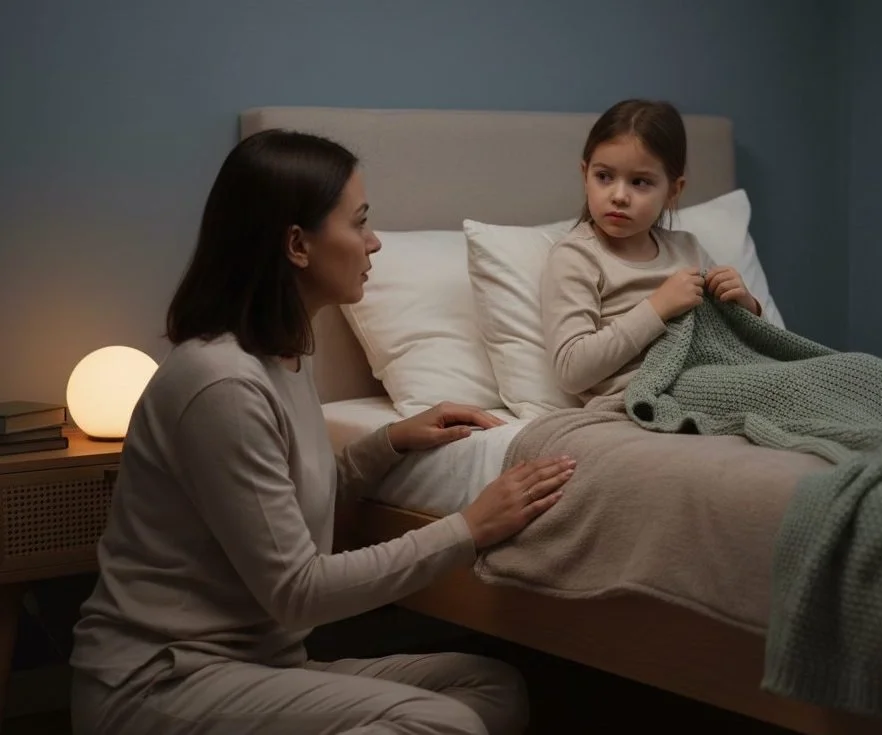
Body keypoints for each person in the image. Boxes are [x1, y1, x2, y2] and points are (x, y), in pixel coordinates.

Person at [69, 129, 577, 735]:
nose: (374, 241)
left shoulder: (284, 354)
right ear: (297, 245)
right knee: (445, 722)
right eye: (359, 223)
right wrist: (468, 528)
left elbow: (282, 506)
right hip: (160, 680)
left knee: (492, 688)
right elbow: (298, 590)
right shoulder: (221, 384)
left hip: (261, 666)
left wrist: (389, 442)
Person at [540, 99, 763, 405]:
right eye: (604, 177)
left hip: (716, 379)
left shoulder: (687, 249)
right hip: (642, 400)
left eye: (640, 182)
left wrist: (746, 306)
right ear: (585, 174)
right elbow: (571, 370)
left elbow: (744, 342)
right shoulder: (576, 257)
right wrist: (657, 308)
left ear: (673, 190)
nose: (619, 196)